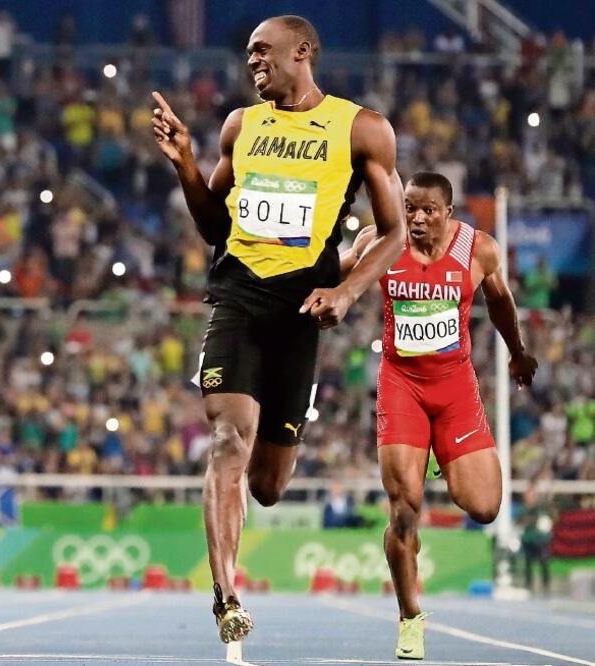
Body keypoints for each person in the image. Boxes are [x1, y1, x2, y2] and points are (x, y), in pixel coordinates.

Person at [151, 15, 405, 644]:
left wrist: (346, 291)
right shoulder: (241, 125)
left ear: (304, 51)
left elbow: (394, 230)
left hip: (302, 310)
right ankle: (226, 595)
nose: (253, 62)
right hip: (237, 299)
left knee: (267, 485)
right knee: (227, 441)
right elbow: (214, 225)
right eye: (247, 54)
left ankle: (239, 546)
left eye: (263, 51)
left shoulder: (362, 129)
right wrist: (185, 162)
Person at [341, 171, 538, 660]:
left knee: (485, 506)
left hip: (454, 389)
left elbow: (499, 301)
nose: (417, 218)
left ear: (448, 212)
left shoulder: (479, 249)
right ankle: (410, 618)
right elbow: (336, 272)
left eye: (429, 209)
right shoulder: (381, 241)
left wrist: (517, 351)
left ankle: (439, 455)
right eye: (410, 207)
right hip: (401, 384)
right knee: (404, 510)